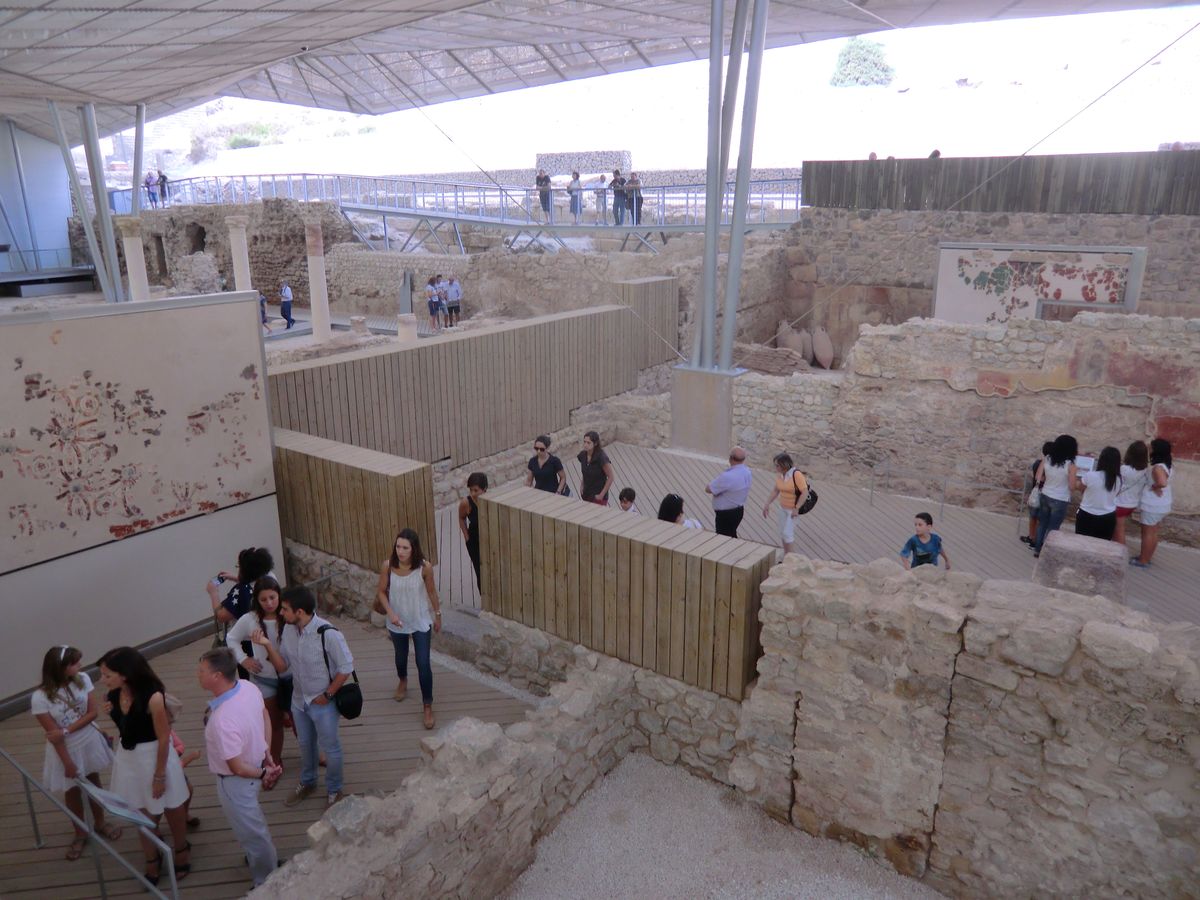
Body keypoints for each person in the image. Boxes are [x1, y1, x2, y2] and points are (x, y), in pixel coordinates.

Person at [98, 647, 191, 886]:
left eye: (107, 675)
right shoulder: (112, 696)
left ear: (125, 674)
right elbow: (125, 728)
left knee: (171, 805)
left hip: (155, 756)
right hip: (130, 759)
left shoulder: (153, 697)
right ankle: (151, 857)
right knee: (139, 810)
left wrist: (159, 776)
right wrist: (114, 714)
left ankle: (181, 848)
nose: (103, 680)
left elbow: (163, 738)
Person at [256, 586, 353, 809]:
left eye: (285, 609)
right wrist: (268, 646)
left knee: (331, 747)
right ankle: (308, 782)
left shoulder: (328, 634)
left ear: (299, 612)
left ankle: (334, 789)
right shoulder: (289, 631)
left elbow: (346, 667)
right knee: (305, 744)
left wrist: (328, 694)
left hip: (323, 703)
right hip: (298, 701)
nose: (280, 613)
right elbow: (282, 667)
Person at [197, 648, 280, 888]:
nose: (198, 675)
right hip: (255, 765)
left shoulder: (222, 720)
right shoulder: (247, 687)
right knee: (252, 826)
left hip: (236, 783)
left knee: (253, 833)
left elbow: (237, 768)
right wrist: (267, 755)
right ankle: (262, 861)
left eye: (202, 671)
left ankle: (266, 881)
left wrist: (265, 772)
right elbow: (264, 716)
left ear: (217, 676)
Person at [32, 645, 120, 860]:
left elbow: (92, 713)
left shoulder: (82, 678)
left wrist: (66, 730)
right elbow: (54, 736)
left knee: (94, 780)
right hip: (66, 749)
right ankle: (80, 832)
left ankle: (100, 822)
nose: (80, 665)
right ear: (61, 668)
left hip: (86, 740)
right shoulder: (40, 697)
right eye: (74, 663)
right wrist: (67, 762)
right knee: (72, 790)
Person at [374, 529, 442, 729]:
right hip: (397, 621)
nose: (401, 551)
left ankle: (427, 705)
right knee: (400, 656)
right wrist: (391, 614)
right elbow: (380, 592)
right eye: (398, 546)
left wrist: (438, 615)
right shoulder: (388, 566)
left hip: (419, 619)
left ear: (414, 549)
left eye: (405, 547)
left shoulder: (424, 568)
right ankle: (402, 680)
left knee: (423, 662)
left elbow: (431, 591)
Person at [226, 576, 287, 767]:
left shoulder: (287, 615)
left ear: (279, 595)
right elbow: (231, 638)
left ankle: (315, 754)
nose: (269, 603)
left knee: (299, 721)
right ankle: (274, 761)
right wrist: (244, 659)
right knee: (272, 723)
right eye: (264, 599)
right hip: (264, 679)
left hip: (291, 678)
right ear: (257, 601)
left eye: (272, 597)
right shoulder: (250, 619)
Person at [1032, 434, 1078, 557]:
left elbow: (1038, 477)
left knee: (1042, 523)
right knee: (1053, 527)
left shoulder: (1047, 458)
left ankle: (1037, 549)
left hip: (1045, 494)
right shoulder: (1071, 465)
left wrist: (1049, 479)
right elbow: (1072, 486)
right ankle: (1046, 552)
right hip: (1060, 498)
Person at [207, 547, 274, 629]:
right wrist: (237, 578)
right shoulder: (270, 580)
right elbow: (253, 583)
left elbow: (222, 616)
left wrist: (214, 593)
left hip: (244, 637)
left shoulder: (240, 591)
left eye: (239, 566)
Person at [1132, 438, 1173, 568]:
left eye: (1151, 448)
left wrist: (1155, 486)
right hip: (1162, 504)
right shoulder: (1167, 466)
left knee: (1147, 533)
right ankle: (1146, 556)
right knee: (1153, 532)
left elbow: (1162, 482)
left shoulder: (1157, 468)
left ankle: (1143, 560)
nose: (1149, 450)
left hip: (1152, 504)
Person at [1071, 446, 1122, 541]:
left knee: (1081, 543)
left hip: (1086, 514)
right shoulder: (1118, 480)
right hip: (1108, 516)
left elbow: (1080, 488)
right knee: (1101, 546)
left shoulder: (1090, 475)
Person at [761, 452, 807, 555]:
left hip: (793, 510)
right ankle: (786, 555)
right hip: (782, 508)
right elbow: (776, 490)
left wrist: (797, 508)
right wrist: (767, 504)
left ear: (784, 464)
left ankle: (791, 558)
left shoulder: (796, 475)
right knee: (782, 533)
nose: (775, 467)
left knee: (787, 533)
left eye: (777, 465)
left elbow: (804, 492)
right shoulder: (780, 476)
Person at [706, 446, 752, 538]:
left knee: (723, 539)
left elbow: (708, 489)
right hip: (738, 511)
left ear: (731, 458)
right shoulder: (747, 472)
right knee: (731, 535)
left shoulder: (728, 476)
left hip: (725, 515)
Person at [1114, 440, 1149, 547]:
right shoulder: (1145, 471)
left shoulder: (1124, 469)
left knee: (1119, 529)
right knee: (1117, 528)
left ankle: (1120, 552)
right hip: (1132, 504)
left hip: (1120, 503)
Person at [458, 472, 488, 592]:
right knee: (479, 572)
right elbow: (461, 518)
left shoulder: (491, 500)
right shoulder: (466, 503)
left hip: (490, 541)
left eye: (476, 490)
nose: (473, 493)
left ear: (484, 489)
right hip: (474, 542)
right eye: (471, 490)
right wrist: (467, 538)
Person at [1022, 441, 1054, 546]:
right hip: (1044, 494)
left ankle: (1031, 537)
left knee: (1033, 517)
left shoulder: (1037, 463)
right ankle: (1035, 540)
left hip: (1035, 493)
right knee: (1041, 519)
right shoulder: (1050, 466)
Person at [577, 431, 614, 505]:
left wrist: (601, 495)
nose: (585, 445)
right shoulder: (583, 455)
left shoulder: (602, 458)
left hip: (598, 496)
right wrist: (582, 485)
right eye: (584, 442)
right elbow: (586, 472)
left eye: (588, 443)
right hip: (586, 494)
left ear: (595, 443)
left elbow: (611, 477)